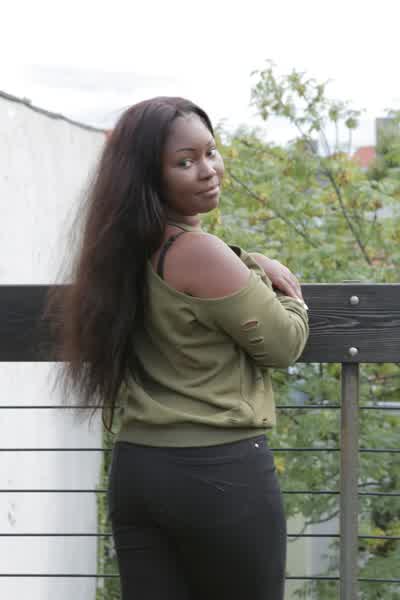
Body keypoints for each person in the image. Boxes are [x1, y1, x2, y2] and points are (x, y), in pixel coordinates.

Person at [43, 96, 309, 600]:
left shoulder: (116, 253)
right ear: (149, 176)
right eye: (185, 162)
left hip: (138, 471)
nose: (208, 170)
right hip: (219, 472)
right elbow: (284, 343)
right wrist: (291, 295)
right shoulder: (198, 251)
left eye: (211, 152)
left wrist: (246, 260)